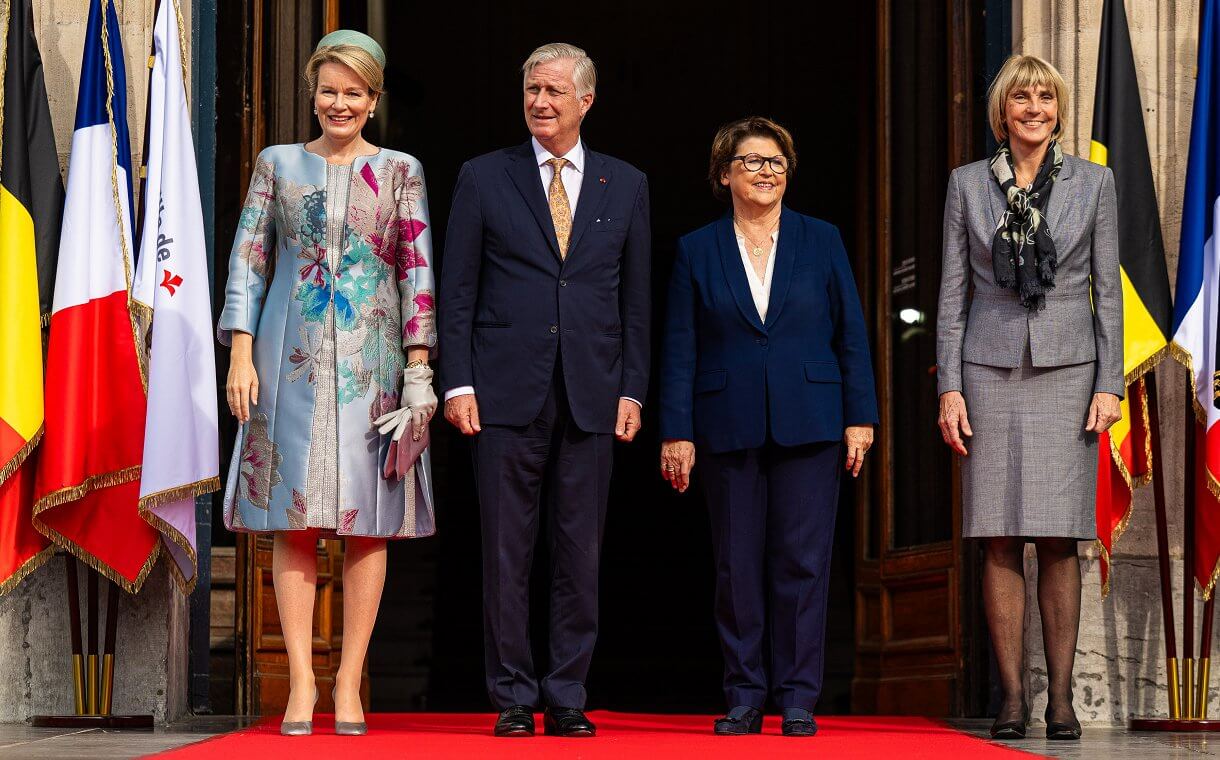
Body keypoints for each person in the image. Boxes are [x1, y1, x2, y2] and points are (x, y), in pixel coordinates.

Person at [218, 30, 438, 737]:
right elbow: (249, 257)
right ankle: (302, 685)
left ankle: (349, 682)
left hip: (374, 366)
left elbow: (417, 273)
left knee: (368, 525)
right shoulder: (277, 163)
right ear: (313, 94)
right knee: (292, 519)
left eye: (354, 92)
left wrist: (420, 370)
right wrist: (240, 353)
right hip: (288, 358)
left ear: (373, 100)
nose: (339, 103)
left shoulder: (402, 168)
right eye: (328, 90)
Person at [438, 42, 650, 738]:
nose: (541, 101)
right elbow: (459, 289)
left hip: (593, 391)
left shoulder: (626, 183)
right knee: (506, 551)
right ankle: (511, 697)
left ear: (587, 100)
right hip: (502, 391)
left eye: (556, 90)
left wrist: (633, 391)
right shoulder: (483, 176)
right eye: (532, 88)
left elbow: (636, 300)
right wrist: (457, 381)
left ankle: (566, 693)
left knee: (578, 553)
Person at [659, 117, 878, 737]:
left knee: (803, 563)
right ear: (724, 174)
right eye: (751, 161)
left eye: (776, 161)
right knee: (736, 565)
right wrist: (677, 431)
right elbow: (680, 348)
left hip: (812, 421)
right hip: (725, 424)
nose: (765, 171)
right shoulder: (697, 249)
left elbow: (852, 337)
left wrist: (860, 416)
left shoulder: (822, 239)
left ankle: (800, 696)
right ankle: (745, 694)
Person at [936, 54, 1122, 741]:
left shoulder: (1096, 183)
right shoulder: (966, 185)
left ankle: (1063, 699)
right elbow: (953, 293)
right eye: (1022, 97)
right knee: (998, 535)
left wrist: (1110, 383)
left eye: (1045, 96)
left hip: (1070, 372)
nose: (1034, 107)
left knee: (1059, 535)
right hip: (987, 371)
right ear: (1003, 111)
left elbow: (1108, 290)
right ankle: (1012, 699)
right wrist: (949, 384)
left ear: (1059, 108)